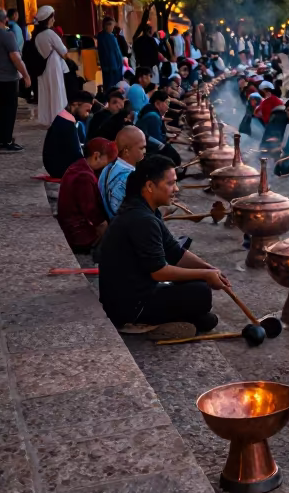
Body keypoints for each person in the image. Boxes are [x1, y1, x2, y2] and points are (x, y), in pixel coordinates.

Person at [98, 155, 226, 337]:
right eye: (170, 183)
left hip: (136, 295)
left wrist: (210, 269)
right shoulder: (141, 219)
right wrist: (205, 275)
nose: (176, 188)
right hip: (130, 306)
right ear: (150, 186)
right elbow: (159, 272)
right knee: (201, 293)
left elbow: (174, 251)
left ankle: (178, 321)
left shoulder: (146, 210)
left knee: (206, 315)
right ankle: (142, 323)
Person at [57, 137, 115, 254]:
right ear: (96, 156)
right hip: (78, 236)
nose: (107, 168)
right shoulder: (84, 177)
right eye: (108, 163)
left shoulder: (79, 166)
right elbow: (93, 214)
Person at [0, 9, 31, 152]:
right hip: (7, 78)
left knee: (2, 111)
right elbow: (16, 58)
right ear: (5, 19)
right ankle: (7, 143)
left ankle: (3, 141)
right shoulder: (8, 35)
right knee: (9, 111)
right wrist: (26, 75)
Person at [32, 5, 70, 126]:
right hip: (54, 66)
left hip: (45, 67)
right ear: (48, 19)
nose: (54, 20)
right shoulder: (50, 33)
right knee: (57, 91)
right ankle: (59, 118)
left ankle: (49, 118)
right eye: (52, 17)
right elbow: (63, 51)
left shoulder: (37, 36)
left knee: (47, 92)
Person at [41, 91, 94, 178]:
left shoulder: (64, 119)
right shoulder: (66, 123)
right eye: (87, 110)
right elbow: (75, 154)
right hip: (59, 170)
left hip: (57, 167)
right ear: (76, 104)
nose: (87, 114)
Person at [99, 125, 147, 218]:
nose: (145, 151)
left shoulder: (107, 168)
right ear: (126, 151)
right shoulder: (131, 178)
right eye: (141, 148)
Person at [136, 89, 182, 166]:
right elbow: (157, 141)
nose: (168, 107)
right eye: (167, 103)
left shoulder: (151, 110)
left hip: (147, 144)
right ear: (157, 104)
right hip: (146, 150)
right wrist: (167, 141)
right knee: (175, 158)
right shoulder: (153, 116)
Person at [96, 16, 125, 90]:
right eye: (112, 25)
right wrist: (120, 63)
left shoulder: (101, 36)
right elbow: (115, 52)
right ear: (107, 26)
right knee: (113, 88)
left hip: (108, 67)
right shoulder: (109, 37)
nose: (113, 28)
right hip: (113, 67)